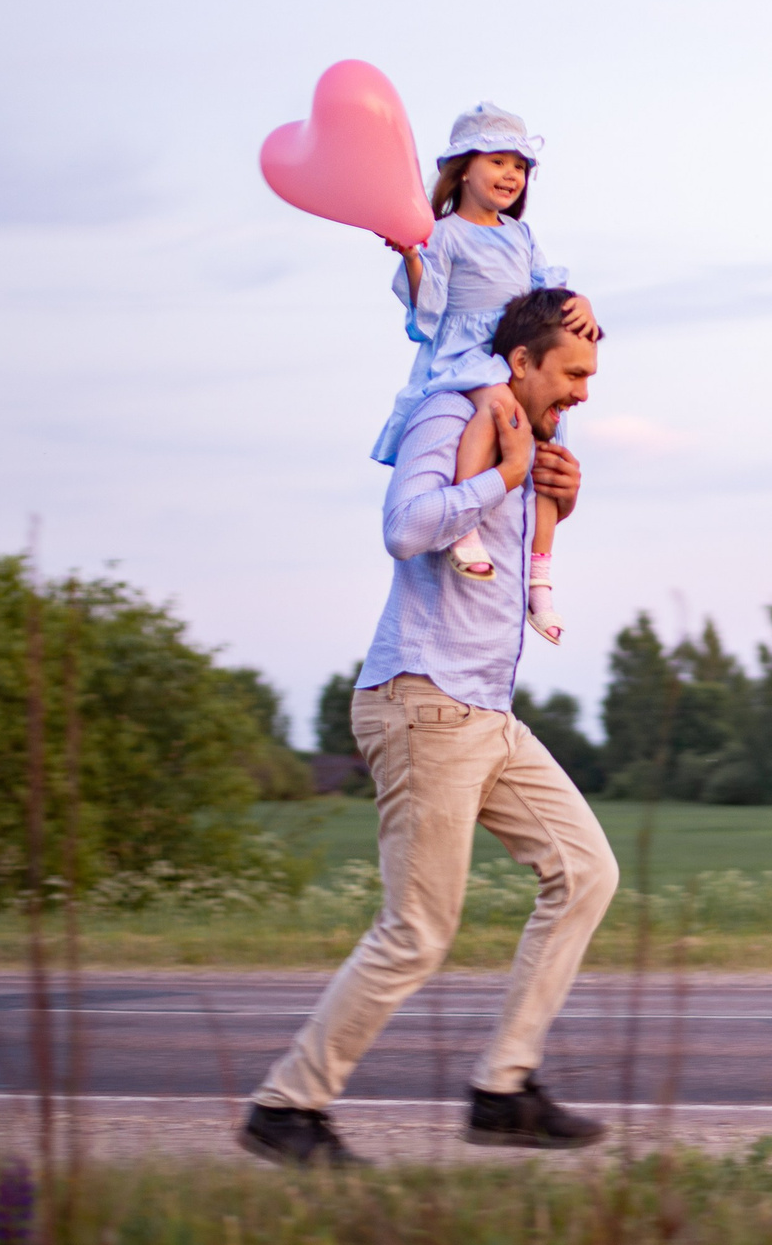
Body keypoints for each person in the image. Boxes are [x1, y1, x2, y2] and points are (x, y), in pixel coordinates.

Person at [242, 287, 618, 1167]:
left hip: (485, 708)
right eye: (572, 374)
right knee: (417, 929)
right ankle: (286, 1107)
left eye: (591, 377)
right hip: (423, 700)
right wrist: (502, 480)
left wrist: (556, 495)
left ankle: (502, 1087)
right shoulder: (448, 413)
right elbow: (407, 527)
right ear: (519, 360)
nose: (584, 393)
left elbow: (507, 550)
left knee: (587, 871)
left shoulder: (534, 436)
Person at [371, 104, 596, 645]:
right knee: (497, 407)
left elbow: (548, 287)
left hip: (514, 345)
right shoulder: (444, 233)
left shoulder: (520, 235)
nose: (509, 176)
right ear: (463, 168)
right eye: (497, 162)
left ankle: (539, 573)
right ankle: (463, 526)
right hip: (470, 352)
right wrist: (411, 257)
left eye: (519, 167)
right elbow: (430, 307)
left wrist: (579, 300)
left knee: (547, 455)